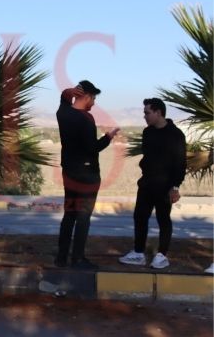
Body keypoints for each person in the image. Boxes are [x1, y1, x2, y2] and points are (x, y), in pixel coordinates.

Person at [55, 80, 119, 270]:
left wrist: (68, 92)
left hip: (69, 172)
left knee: (69, 215)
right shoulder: (86, 119)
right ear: (87, 96)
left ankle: (61, 257)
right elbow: (93, 148)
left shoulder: (63, 113)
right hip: (87, 175)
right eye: (93, 98)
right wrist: (108, 137)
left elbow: (63, 99)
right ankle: (78, 258)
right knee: (83, 217)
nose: (94, 103)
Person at [119, 98, 186, 269]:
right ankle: (138, 253)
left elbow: (180, 164)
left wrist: (175, 187)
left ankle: (162, 255)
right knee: (140, 217)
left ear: (158, 112)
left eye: (147, 113)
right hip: (147, 184)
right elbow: (147, 157)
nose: (145, 116)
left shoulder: (176, 135)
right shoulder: (147, 132)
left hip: (165, 186)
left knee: (163, 219)